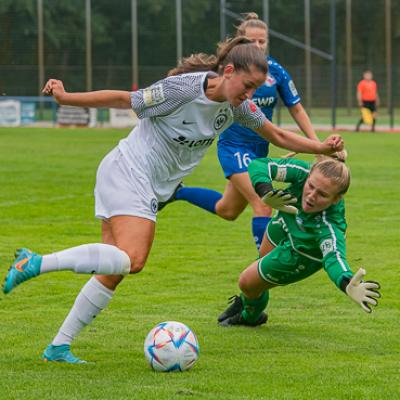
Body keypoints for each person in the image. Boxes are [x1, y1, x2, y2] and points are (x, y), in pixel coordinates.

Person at [2, 36, 344, 364]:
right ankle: (35, 262)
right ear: (228, 72)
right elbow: (125, 99)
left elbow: (278, 134)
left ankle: (58, 347)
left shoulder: (238, 106)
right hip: (129, 171)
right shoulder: (182, 90)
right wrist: (65, 97)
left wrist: (322, 148)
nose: (251, 94)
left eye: (255, 88)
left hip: (146, 184)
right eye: (248, 85)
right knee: (132, 260)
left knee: (113, 270)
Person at [172, 13, 319, 252]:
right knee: (264, 204)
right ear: (241, 41)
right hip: (234, 147)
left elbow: (297, 108)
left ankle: (176, 192)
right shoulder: (230, 71)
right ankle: (261, 278)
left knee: (226, 210)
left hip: (260, 151)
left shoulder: (276, 71)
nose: (257, 46)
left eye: (262, 41)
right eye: (252, 41)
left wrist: (317, 145)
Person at [217, 157, 381, 327]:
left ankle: (250, 316)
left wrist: (347, 283)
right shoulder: (302, 173)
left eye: (322, 194)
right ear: (309, 175)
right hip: (284, 222)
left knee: (246, 282)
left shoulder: (328, 225)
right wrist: (265, 191)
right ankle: (249, 297)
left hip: (301, 253)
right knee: (257, 277)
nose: (311, 196)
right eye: (311, 186)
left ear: (336, 199)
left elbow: (334, 258)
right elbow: (259, 165)